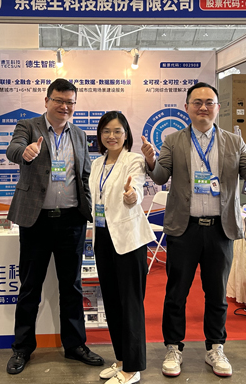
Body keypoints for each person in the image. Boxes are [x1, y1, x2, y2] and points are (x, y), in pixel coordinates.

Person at [140, 82, 246, 378]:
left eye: (209, 102)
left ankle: (215, 347)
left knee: (217, 295)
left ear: (218, 108)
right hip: (184, 230)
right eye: (197, 102)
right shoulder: (173, 141)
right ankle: (173, 347)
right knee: (176, 293)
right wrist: (150, 160)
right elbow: (159, 176)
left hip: (220, 231)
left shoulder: (234, 143)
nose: (203, 107)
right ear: (187, 107)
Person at [5, 78, 104, 375]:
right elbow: (13, 148)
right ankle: (22, 348)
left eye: (70, 102)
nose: (64, 106)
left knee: (71, 286)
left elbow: (84, 175)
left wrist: (91, 210)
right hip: (36, 221)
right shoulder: (28, 126)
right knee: (30, 287)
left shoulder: (80, 134)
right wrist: (24, 153)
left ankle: (75, 345)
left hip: (72, 221)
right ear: (46, 101)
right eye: (59, 100)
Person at [89, 112, 155, 384]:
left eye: (117, 131)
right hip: (103, 238)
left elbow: (135, 187)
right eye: (106, 131)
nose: (111, 136)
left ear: (126, 134)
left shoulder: (134, 160)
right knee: (112, 302)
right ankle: (120, 359)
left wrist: (132, 196)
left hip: (128, 240)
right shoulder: (96, 163)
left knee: (130, 304)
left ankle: (133, 367)